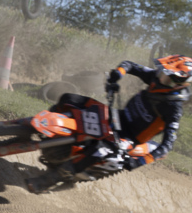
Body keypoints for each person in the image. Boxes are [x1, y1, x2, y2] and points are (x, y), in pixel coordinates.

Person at [26, 54, 191, 193]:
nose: (160, 78)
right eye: (162, 72)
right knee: (69, 99)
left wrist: (140, 162)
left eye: (166, 77)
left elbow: (166, 146)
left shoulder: (173, 108)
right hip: (117, 116)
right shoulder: (157, 79)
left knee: (101, 150)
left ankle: (48, 180)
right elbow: (130, 65)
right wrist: (117, 75)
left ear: (179, 83)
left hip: (129, 137)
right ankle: (42, 130)